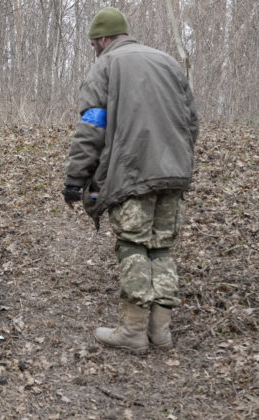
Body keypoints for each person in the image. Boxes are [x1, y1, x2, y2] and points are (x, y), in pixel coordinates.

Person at [62, 7, 199, 353]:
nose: (95, 47)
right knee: (162, 247)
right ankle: (161, 332)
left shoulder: (105, 65)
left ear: (104, 38)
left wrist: (75, 180)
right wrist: (178, 160)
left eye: (95, 42)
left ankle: (133, 332)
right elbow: (191, 122)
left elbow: (92, 126)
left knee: (133, 245)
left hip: (132, 171)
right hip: (174, 172)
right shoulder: (169, 62)